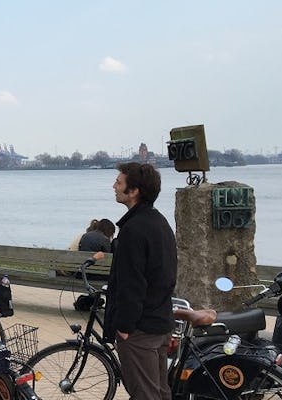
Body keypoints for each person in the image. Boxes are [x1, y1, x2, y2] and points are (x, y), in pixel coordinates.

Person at [105, 162, 177, 400]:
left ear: (134, 190)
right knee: (160, 392)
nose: (114, 186)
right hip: (160, 321)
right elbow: (167, 274)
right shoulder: (160, 222)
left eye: (119, 182)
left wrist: (125, 326)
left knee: (144, 394)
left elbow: (131, 283)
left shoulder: (133, 229)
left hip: (140, 329)